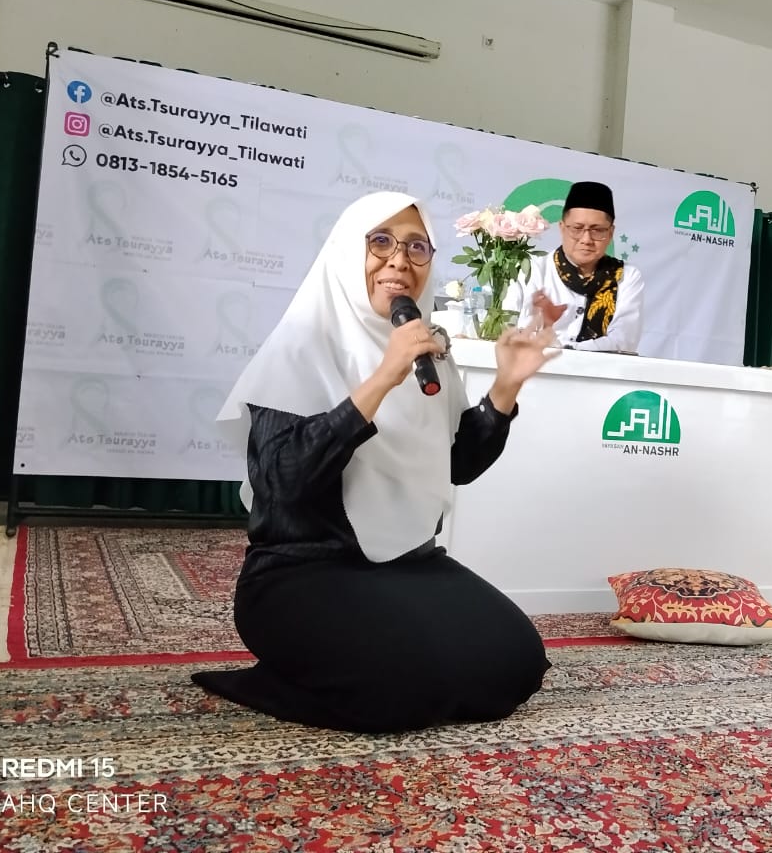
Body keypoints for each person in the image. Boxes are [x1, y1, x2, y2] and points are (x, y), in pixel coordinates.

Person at [191, 191, 557, 735]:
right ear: (347, 251)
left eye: (416, 247)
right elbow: (283, 484)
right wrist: (383, 378)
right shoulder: (300, 347)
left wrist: (506, 387)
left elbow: (458, 465)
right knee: (401, 689)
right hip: (300, 573)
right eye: (380, 242)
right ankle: (268, 683)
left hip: (408, 563)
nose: (399, 261)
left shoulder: (428, 351)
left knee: (516, 662)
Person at [503, 181, 645, 353]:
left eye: (597, 230)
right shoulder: (532, 269)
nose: (586, 239)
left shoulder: (626, 276)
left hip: (599, 368)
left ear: (610, 233)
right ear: (562, 228)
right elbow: (513, 331)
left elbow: (624, 340)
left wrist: (566, 349)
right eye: (577, 229)